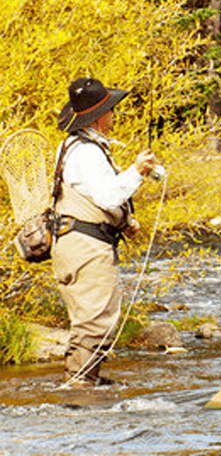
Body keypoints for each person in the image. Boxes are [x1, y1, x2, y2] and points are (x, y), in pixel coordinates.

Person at [52, 77, 157, 386]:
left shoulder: (73, 146)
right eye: (110, 109)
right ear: (98, 118)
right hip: (86, 247)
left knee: (90, 321)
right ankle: (80, 391)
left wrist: (125, 223)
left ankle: (84, 384)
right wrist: (137, 170)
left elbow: (93, 198)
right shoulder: (86, 152)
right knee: (95, 324)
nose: (113, 115)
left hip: (74, 242)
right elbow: (109, 195)